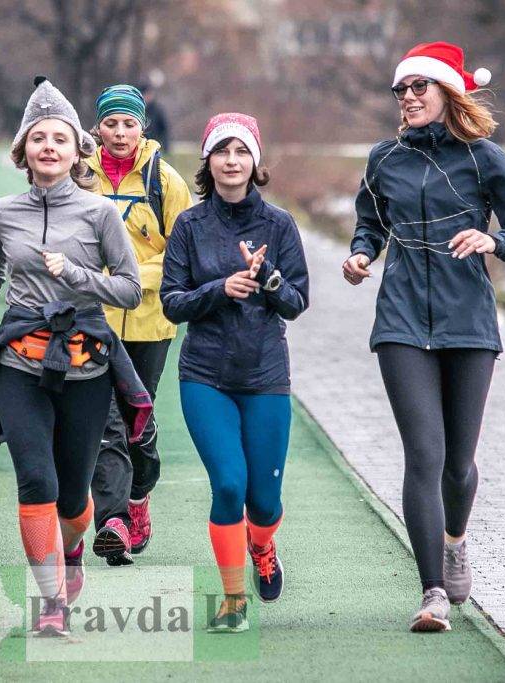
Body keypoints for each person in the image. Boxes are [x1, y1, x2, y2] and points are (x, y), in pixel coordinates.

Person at [341, 42, 505, 632]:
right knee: (424, 456)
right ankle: (432, 591)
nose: (407, 98)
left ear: (446, 92)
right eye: (400, 90)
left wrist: (493, 241)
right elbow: (369, 223)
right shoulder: (384, 159)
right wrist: (360, 255)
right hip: (401, 321)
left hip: (469, 324)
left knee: (458, 465)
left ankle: (455, 540)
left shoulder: (484, 159)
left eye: (418, 88)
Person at [0, 77, 150, 637]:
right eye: (38, 138)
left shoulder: (99, 213)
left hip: (86, 363)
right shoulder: (1, 212)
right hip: (20, 361)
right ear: (23, 150)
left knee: (73, 499)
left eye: (59, 139)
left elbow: (131, 290)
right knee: (35, 481)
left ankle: (73, 549)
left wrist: (78, 275)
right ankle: (51, 603)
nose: (48, 147)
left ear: (77, 150)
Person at [161, 113, 309, 632]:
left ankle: (262, 546)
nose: (231, 160)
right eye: (222, 151)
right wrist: (219, 289)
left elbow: (297, 302)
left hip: (265, 375)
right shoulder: (189, 226)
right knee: (228, 485)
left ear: (255, 161)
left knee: (263, 503)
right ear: (208, 161)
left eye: (241, 151)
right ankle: (232, 600)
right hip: (206, 376)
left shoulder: (280, 225)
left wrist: (269, 279)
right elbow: (172, 302)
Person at [85, 84, 193, 567]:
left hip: (149, 321)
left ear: (142, 127)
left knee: (136, 420)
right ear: (98, 128)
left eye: (129, 123)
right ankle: (113, 523)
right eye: (111, 123)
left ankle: (138, 497)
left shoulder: (165, 181)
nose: (120, 132)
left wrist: (130, 279)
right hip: (92, 320)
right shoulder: (80, 177)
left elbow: (183, 254)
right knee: (101, 421)